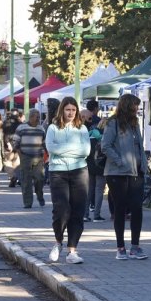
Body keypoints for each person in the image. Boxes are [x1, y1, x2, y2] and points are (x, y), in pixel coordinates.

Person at [101, 93, 148, 261]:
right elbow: (105, 146)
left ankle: (135, 245)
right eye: (135, 106)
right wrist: (120, 161)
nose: (137, 109)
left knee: (137, 208)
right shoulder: (113, 123)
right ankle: (120, 247)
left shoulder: (135, 125)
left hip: (136, 172)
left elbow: (139, 147)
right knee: (120, 209)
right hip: (117, 173)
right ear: (128, 106)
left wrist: (144, 164)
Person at [45, 97, 91, 264]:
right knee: (62, 210)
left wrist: (62, 150)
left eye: (73, 110)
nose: (71, 113)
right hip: (58, 172)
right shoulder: (53, 128)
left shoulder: (82, 129)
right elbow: (51, 148)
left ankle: (73, 250)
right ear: (62, 110)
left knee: (78, 212)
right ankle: (58, 241)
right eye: (67, 110)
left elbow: (85, 151)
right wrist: (74, 149)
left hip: (79, 171)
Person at [12, 109, 46, 208]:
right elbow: (16, 143)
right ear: (31, 117)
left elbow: (44, 143)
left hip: (38, 157)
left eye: (39, 117)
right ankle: (28, 203)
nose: (39, 119)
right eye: (37, 117)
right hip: (25, 156)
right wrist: (21, 156)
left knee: (39, 179)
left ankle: (40, 195)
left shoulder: (41, 129)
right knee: (26, 180)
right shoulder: (21, 128)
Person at [86, 117, 107, 222]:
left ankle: (85, 214)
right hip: (101, 166)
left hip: (89, 165)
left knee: (89, 190)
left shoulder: (89, 134)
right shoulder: (106, 136)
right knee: (99, 190)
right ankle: (97, 215)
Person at [80, 109, 96, 221]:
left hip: (91, 164)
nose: (91, 120)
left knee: (89, 190)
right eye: (89, 118)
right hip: (84, 164)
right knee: (87, 190)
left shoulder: (93, 128)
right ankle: (83, 213)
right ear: (82, 117)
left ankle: (84, 213)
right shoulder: (79, 129)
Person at [2, 109, 22, 187]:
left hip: (8, 147)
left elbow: (5, 134)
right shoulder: (20, 124)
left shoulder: (6, 123)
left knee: (7, 162)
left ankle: (13, 177)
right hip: (17, 146)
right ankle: (17, 179)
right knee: (16, 164)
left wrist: (7, 143)